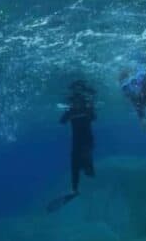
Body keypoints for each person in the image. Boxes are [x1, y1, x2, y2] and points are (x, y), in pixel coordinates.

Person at [47, 79, 96, 212]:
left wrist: (90, 104)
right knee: (74, 164)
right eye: (74, 101)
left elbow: (93, 117)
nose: (76, 103)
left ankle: (88, 171)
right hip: (76, 143)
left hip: (87, 142)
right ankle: (75, 189)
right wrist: (68, 110)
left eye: (78, 101)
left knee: (87, 166)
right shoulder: (71, 111)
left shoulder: (87, 109)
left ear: (82, 100)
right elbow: (62, 121)